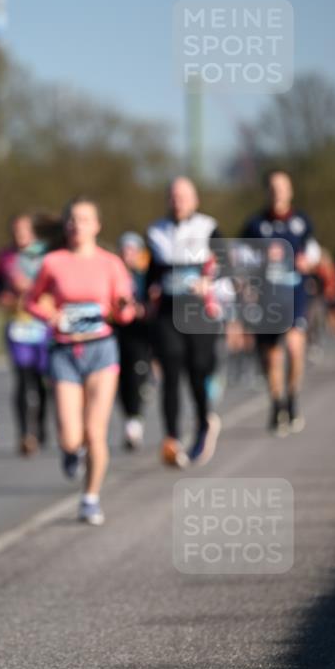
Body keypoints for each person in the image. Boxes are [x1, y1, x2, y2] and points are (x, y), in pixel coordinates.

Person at [26, 198, 134, 526]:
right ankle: (73, 453)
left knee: (95, 431)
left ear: (97, 226)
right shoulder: (53, 262)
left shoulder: (111, 263)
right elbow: (32, 300)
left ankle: (90, 498)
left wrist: (123, 308)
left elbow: (125, 311)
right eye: (72, 219)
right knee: (71, 436)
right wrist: (51, 315)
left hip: (101, 349)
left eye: (84, 219)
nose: (77, 225)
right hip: (64, 352)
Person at [146, 177, 224, 468]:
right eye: (173, 196)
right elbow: (152, 272)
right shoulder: (155, 231)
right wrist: (144, 297)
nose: (177, 202)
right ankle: (171, 438)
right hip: (168, 309)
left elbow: (227, 261)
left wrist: (208, 281)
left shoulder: (208, 226)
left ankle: (205, 422)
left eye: (183, 196)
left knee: (196, 370)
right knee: (170, 369)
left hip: (199, 309)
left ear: (195, 199)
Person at [242, 170, 320, 434]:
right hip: (267, 296)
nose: (277, 193)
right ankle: (276, 405)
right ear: (267, 192)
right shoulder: (255, 225)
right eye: (273, 188)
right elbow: (241, 257)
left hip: (294, 293)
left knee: (296, 348)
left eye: (282, 188)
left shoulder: (301, 221)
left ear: (290, 191)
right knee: (272, 357)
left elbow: (313, 250)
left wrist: (308, 260)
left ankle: (293, 398)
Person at [0, 214, 50, 455]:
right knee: (21, 379)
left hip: (42, 325)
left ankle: (41, 426)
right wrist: (5, 297)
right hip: (17, 324)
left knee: (40, 381)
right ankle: (24, 433)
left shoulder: (46, 256)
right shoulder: (5, 257)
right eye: (16, 230)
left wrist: (32, 287)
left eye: (24, 230)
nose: (20, 235)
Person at [115, 232, 151, 450]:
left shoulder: (144, 274)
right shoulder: (113, 272)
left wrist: (142, 308)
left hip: (139, 331)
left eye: (132, 250)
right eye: (124, 249)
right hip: (117, 329)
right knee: (120, 378)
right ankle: (129, 417)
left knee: (137, 374)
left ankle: (135, 420)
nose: (128, 254)